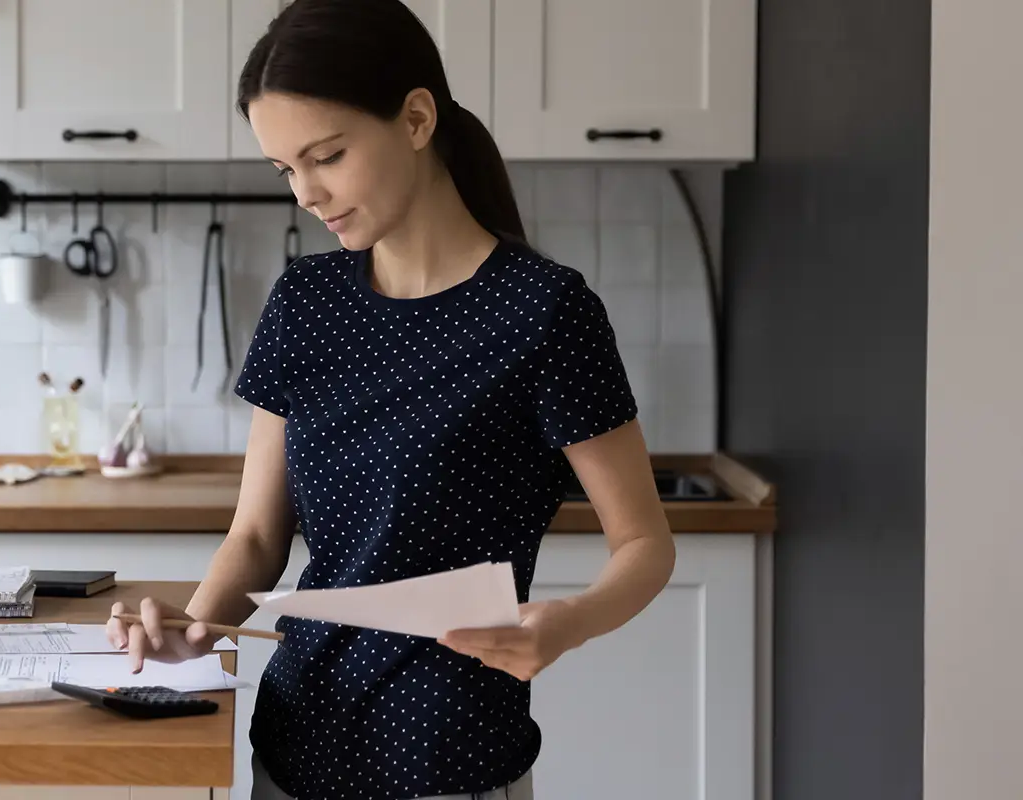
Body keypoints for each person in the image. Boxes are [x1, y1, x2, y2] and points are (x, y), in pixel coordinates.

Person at [105, 1, 677, 797]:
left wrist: (569, 622)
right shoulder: (302, 303)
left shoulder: (544, 312)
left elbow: (647, 546)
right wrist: (192, 632)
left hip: (449, 759)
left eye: (327, 156)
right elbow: (258, 535)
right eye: (285, 170)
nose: (306, 191)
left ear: (415, 118)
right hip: (295, 745)